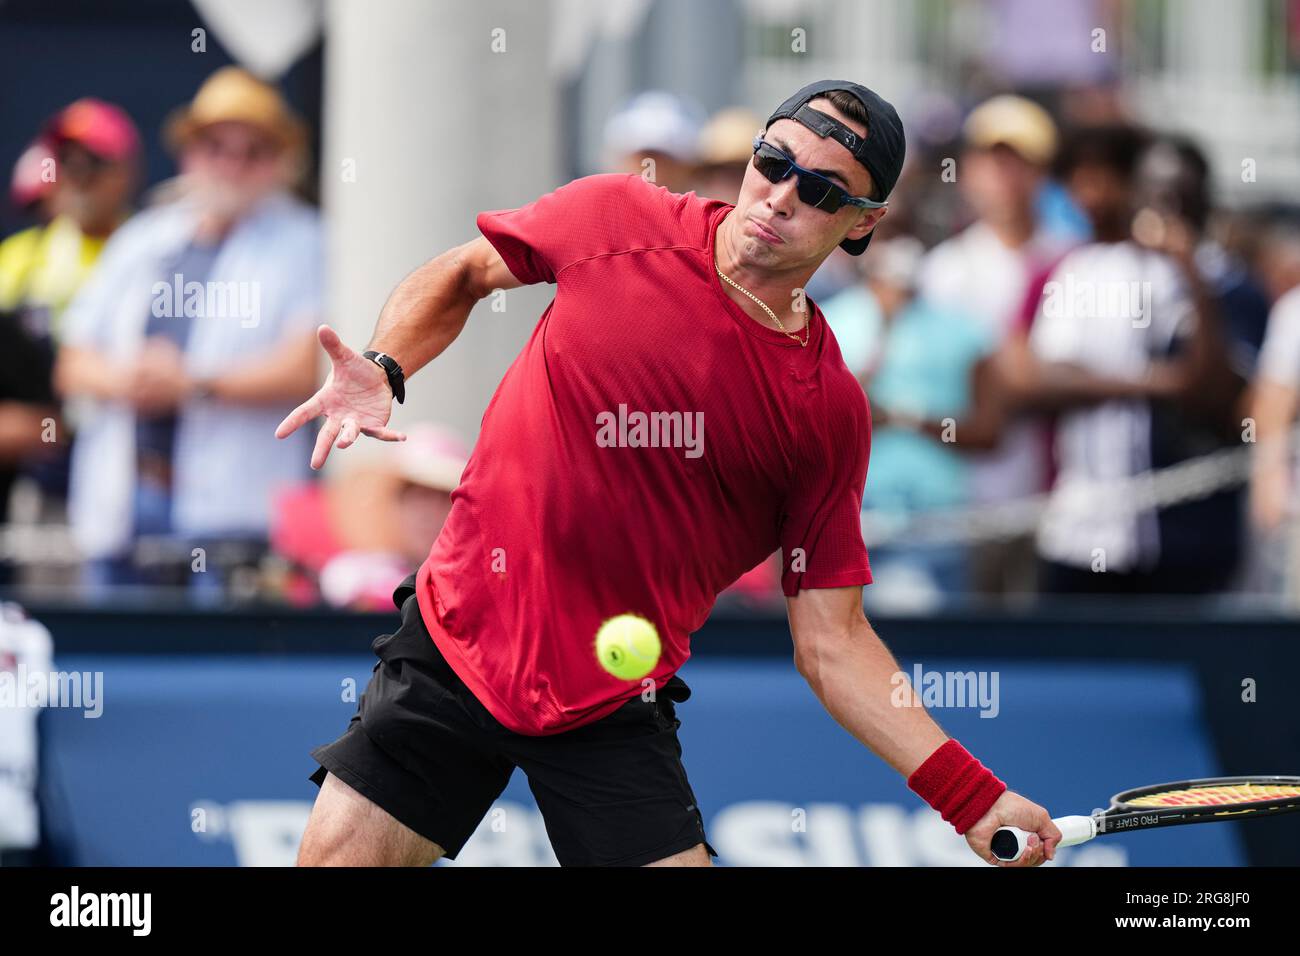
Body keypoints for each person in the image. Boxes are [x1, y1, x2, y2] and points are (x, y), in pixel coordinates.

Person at [280, 80, 1059, 868]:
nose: (781, 196)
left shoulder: (825, 413)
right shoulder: (617, 217)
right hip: (460, 635)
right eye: (773, 162)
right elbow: (462, 275)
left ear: (862, 225)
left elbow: (833, 642)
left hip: (612, 699)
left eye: (822, 191)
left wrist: (971, 795)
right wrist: (385, 364)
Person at [53, 67, 322, 600]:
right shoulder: (143, 237)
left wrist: (194, 385)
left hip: (236, 522)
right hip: (125, 510)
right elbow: (72, 361)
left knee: (218, 677)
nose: (232, 164)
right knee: (116, 672)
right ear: (190, 154)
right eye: (217, 147)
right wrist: (129, 379)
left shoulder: (308, 242)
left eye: (253, 151)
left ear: (278, 163)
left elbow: (310, 367)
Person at [1019, 124, 1239, 594]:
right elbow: (1043, 380)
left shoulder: (1204, 275)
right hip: (1081, 529)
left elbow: (1211, 393)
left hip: (1184, 538)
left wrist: (1190, 271)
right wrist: (1155, 384)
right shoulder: (1083, 269)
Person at [917, 94, 1072, 598]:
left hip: (1051, 495)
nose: (1003, 176)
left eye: (1018, 163)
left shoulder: (1072, 260)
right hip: (958, 499)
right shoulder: (945, 269)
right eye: (991, 161)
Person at [821, 234, 998, 606]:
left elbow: (988, 433)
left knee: (933, 643)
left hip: (937, 518)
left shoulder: (963, 331)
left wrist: (905, 418)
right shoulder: (826, 322)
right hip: (850, 516)